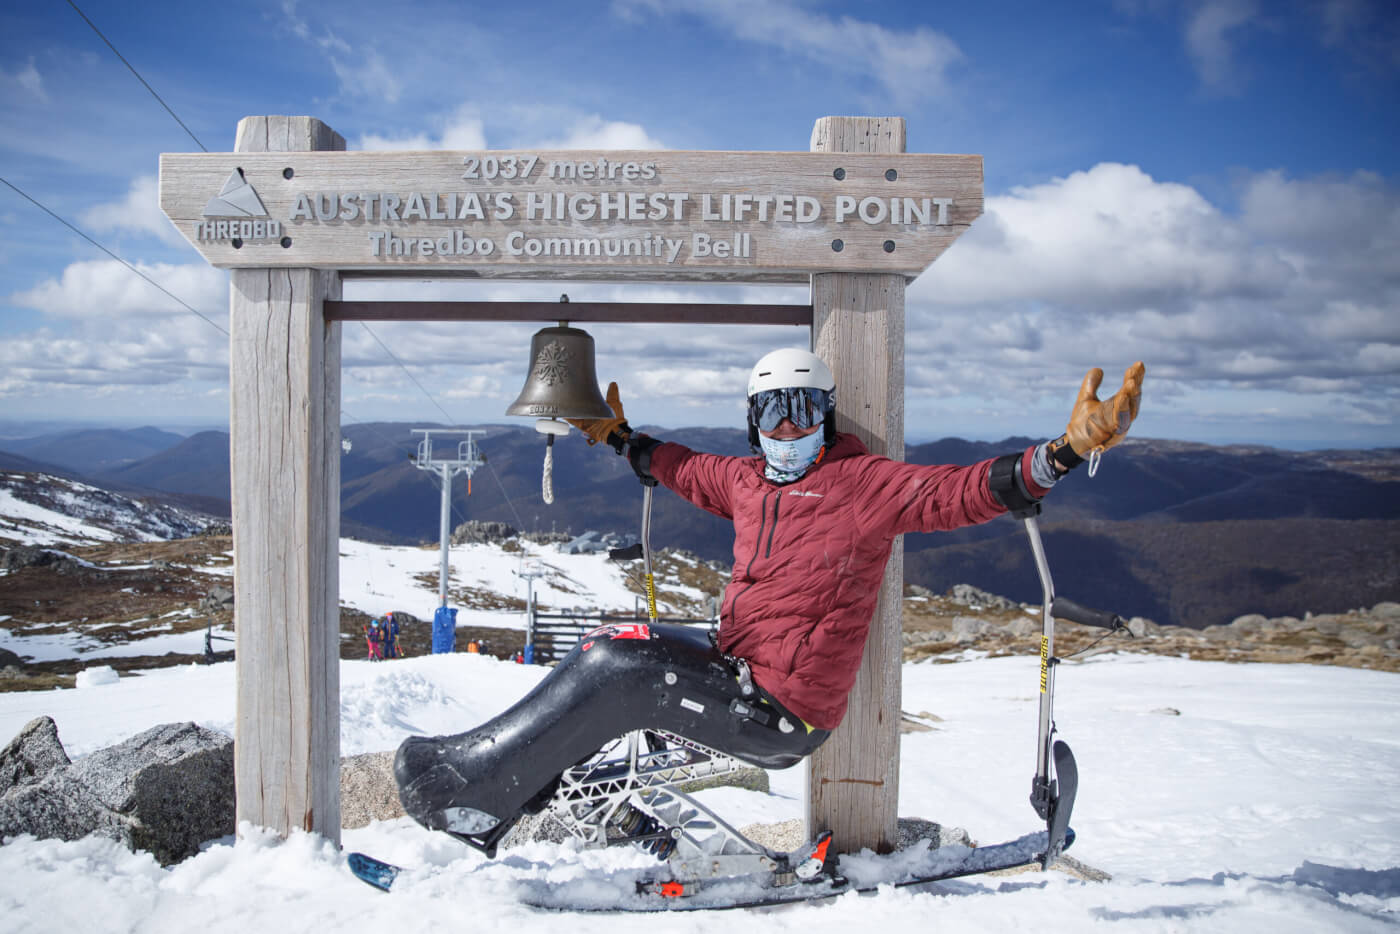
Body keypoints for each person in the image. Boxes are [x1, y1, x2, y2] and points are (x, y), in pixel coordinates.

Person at [394, 348, 1144, 854]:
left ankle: (474, 789)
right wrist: (620, 438)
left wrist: (1066, 452)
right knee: (614, 650)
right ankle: (506, 796)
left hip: (784, 714)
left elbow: (964, 492)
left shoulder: (865, 486)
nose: (790, 426)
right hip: (738, 677)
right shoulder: (751, 482)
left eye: (805, 408)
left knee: (615, 669)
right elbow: (683, 468)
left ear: (827, 413)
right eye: (774, 410)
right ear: (754, 421)